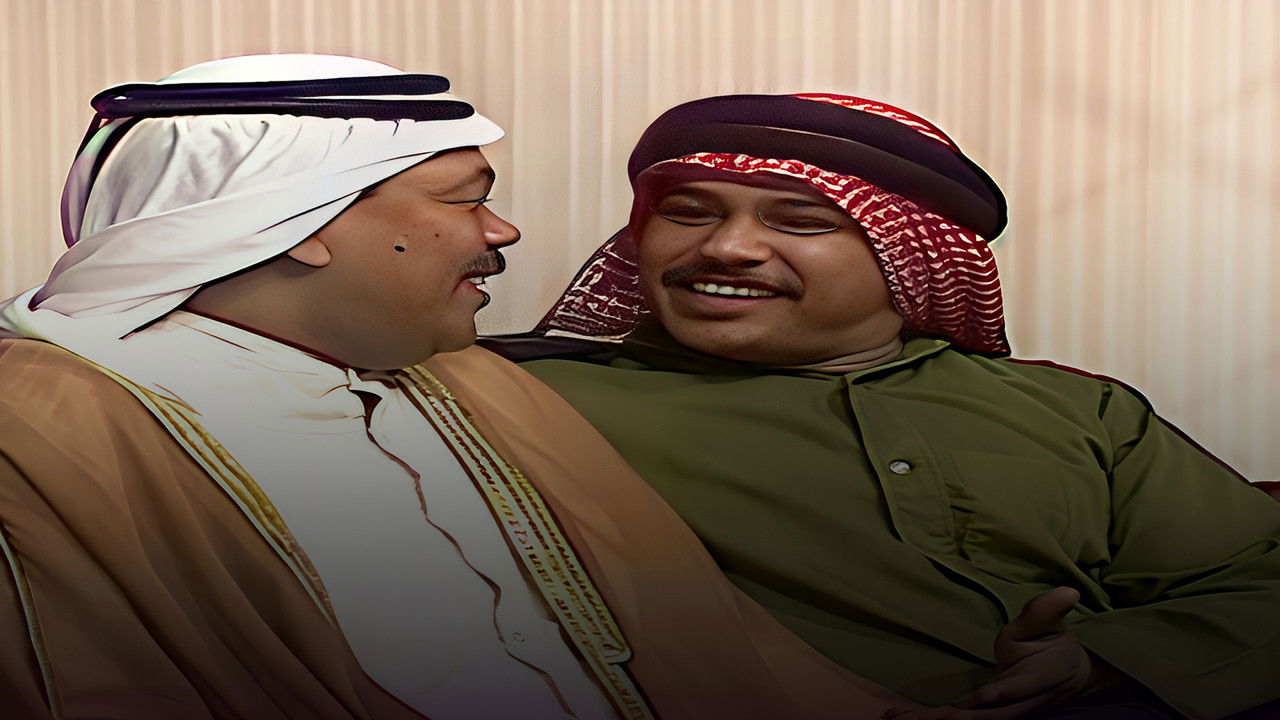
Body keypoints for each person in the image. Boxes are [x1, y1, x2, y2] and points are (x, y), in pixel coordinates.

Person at [0, 60, 909, 719]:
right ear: (297, 223)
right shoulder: (50, 424)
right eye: (465, 199)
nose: (500, 230)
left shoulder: (466, 378)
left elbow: (683, 630)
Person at [496, 93, 1280, 720]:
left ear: (915, 259)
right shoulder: (526, 403)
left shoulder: (1077, 409)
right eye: (688, 212)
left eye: (802, 221)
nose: (727, 248)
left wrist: (1104, 661)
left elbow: (1257, 577)